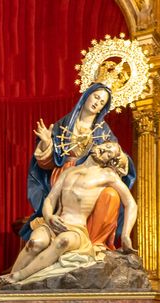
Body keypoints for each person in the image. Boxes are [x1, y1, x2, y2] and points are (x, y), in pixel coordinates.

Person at [4, 141, 137, 285]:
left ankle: (19, 276)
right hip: (54, 223)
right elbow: (50, 199)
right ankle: (6, 283)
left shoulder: (107, 175)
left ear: (109, 161)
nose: (104, 150)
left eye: (109, 153)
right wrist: (49, 217)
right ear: (96, 145)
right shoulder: (69, 171)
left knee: (63, 241)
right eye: (106, 146)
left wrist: (125, 235)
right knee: (35, 243)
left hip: (76, 229)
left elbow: (131, 203)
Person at [25, 82, 136, 250]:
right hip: (65, 175)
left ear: (102, 108)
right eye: (96, 97)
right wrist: (47, 143)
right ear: (86, 96)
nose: (96, 103)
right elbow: (45, 164)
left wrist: (121, 159)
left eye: (101, 102)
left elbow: (117, 158)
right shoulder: (64, 125)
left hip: (92, 178)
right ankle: (59, 232)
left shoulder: (103, 131)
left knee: (111, 195)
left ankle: (94, 243)